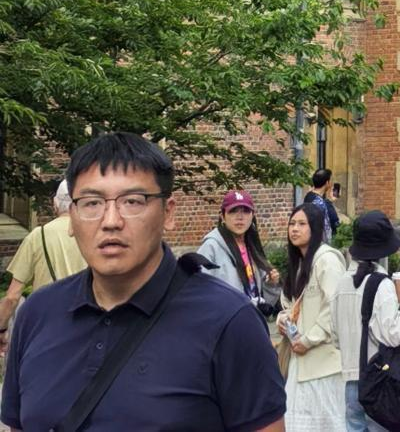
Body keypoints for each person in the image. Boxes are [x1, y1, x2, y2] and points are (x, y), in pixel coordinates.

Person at [1, 131, 286, 432]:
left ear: (168, 212)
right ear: (70, 217)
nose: (111, 220)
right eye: (91, 202)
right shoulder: (38, 313)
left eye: (133, 201)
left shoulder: (229, 321)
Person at [332, 209, 400, 432]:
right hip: (378, 380)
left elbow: (335, 336)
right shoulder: (381, 284)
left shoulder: (342, 283)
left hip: (350, 380)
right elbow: (392, 333)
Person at [277, 198, 345, 430]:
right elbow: (293, 304)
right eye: (292, 223)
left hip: (323, 361)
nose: (294, 229)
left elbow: (333, 307)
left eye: (302, 224)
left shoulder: (327, 260)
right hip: (300, 359)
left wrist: (309, 339)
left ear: (315, 228)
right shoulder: (299, 262)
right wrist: (283, 318)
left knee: (326, 422)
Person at [0, 180, 85, 353]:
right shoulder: (94, 234)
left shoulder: (39, 236)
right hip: (87, 327)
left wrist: (1, 329)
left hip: (47, 330)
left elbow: (12, 297)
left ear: (55, 203)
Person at [195, 189, 280, 321]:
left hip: (252, 324)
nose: (240, 217)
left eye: (246, 211)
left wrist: (271, 284)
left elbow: (264, 300)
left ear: (252, 215)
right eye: (233, 211)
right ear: (222, 216)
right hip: (226, 328)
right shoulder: (211, 247)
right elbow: (198, 294)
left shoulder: (252, 248)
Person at [303, 167, 340, 242]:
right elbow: (335, 223)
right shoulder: (321, 203)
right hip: (320, 244)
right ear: (327, 183)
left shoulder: (309, 196)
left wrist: (330, 201)